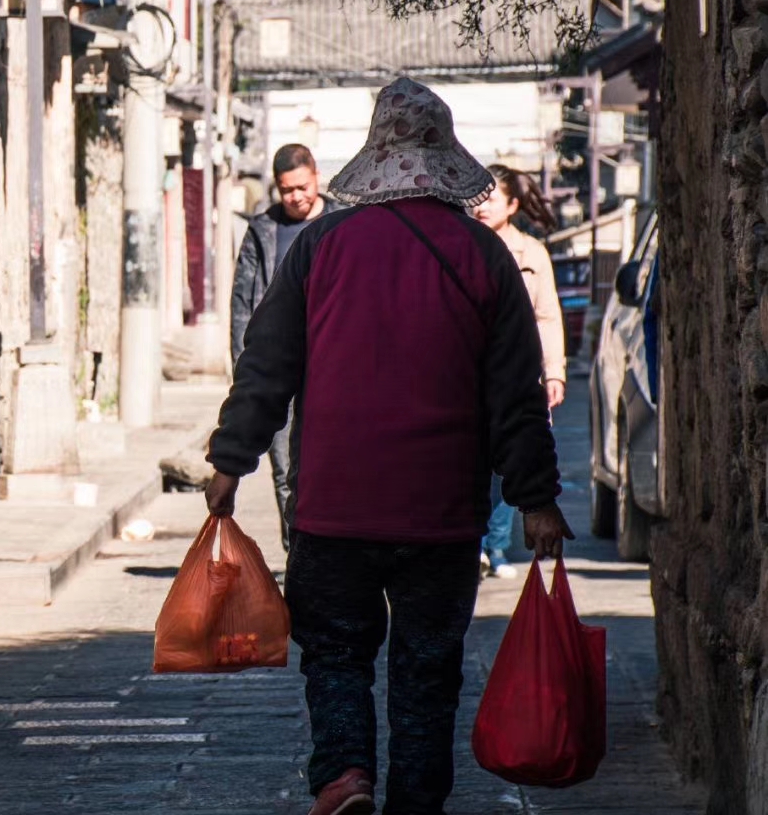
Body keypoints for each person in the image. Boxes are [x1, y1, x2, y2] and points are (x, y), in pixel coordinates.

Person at [203, 77, 573, 815]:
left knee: (336, 653)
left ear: (378, 154)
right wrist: (535, 499)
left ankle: (344, 775)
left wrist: (229, 461)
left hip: (334, 507)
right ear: (443, 156)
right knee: (427, 669)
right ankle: (415, 801)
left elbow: (267, 365)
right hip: (440, 515)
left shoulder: (321, 247)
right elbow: (516, 394)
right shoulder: (484, 257)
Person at [231, 143, 343, 552]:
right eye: (286, 189)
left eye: (302, 186)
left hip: (333, 373)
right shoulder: (262, 231)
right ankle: (296, 554)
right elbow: (242, 304)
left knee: (329, 468)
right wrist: (245, 373)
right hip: (279, 371)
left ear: (316, 176)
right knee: (285, 471)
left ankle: (328, 553)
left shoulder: (342, 224)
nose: (296, 196)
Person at [471, 165, 566, 579]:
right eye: (476, 197)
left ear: (512, 205)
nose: (481, 206)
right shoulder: (464, 247)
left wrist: (554, 372)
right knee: (475, 460)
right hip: (473, 372)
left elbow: (547, 316)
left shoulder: (531, 253)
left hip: (520, 370)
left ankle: (496, 545)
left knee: (513, 456)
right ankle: (477, 545)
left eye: (491, 198)